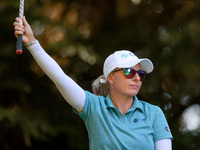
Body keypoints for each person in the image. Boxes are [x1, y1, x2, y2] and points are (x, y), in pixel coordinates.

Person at [14, 16, 173, 150]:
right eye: (129, 72)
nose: (137, 78)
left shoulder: (153, 113)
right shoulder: (94, 107)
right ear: (111, 77)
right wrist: (32, 43)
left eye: (140, 74)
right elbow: (60, 78)